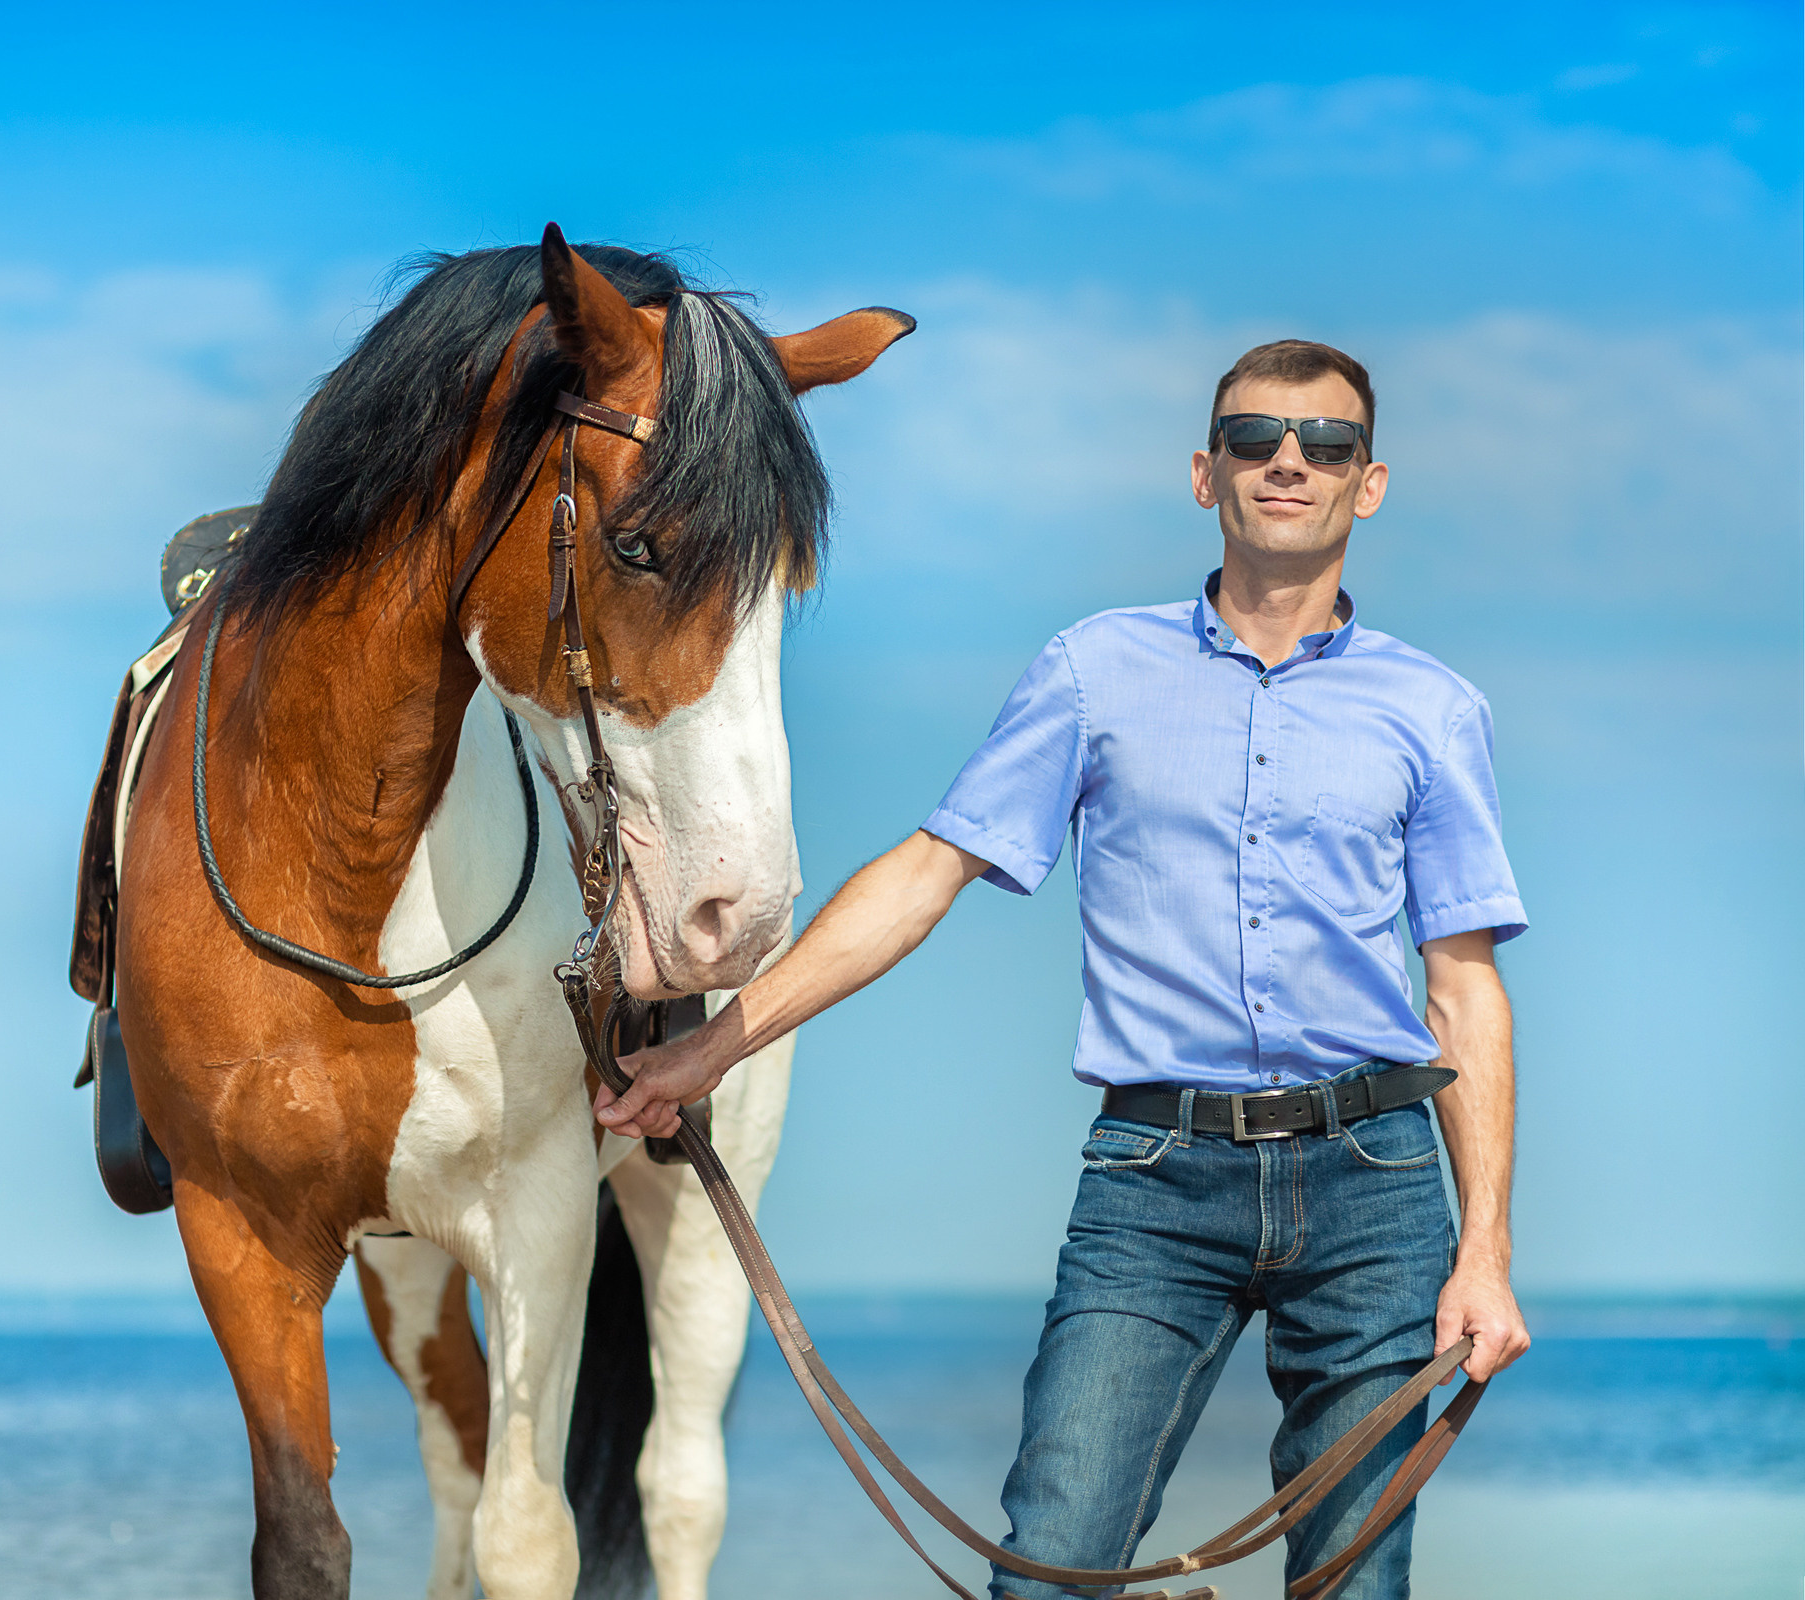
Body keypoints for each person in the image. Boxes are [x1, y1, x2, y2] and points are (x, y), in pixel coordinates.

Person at [594, 339, 1532, 1598]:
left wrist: (1485, 1254)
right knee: (1048, 1569)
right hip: (1156, 1180)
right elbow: (927, 874)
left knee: (1356, 1582)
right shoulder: (1093, 670)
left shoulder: (1435, 710)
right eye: (1255, 440)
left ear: (1369, 484)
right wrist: (708, 1048)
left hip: (1376, 1183)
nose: (1288, 463)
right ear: (1207, 473)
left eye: (1325, 445)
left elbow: (1463, 986)